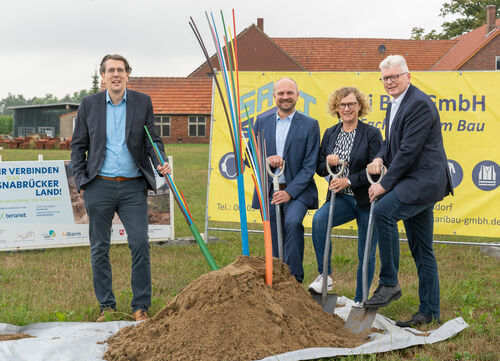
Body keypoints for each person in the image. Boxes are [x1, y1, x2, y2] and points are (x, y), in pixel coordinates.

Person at [71, 54, 171, 322]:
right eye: (110, 70)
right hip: (99, 186)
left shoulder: (142, 102)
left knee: (140, 243)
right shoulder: (89, 104)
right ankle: (107, 306)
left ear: (128, 74)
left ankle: (140, 306)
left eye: (121, 70)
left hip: (132, 188)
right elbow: (78, 145)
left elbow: (152, 140)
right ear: (102, 76)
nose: (116, 74)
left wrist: (160, 160)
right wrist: (82, 180)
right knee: (99, 247)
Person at [363, 55, 453, 327]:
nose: (390, 82)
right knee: (422, 249)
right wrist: (379, 157)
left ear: (408, 76)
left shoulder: (419, 105)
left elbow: (409, 151)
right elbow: (392, 143)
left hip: (423, 182)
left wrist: (384, 184)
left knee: (383, 212)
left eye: (394, 77)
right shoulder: (396, 104)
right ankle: (429, 312)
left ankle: (389, 283)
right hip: (414, 181)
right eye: (385, 78)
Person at [308, 87, 382, 306]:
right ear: (336, 108)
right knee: (319, 221)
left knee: (366, 251)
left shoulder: (371, 134)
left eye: (352, 104)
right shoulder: (331, 133)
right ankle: (326, 276)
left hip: (367, 200)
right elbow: (320, 167)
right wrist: (328, 163)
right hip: (340, 200)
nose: (347, 109)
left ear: (360, 106)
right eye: (343, 105)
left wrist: (349, 180)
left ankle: (361, 300)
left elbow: (375, 169)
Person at [251, 77, 320, 283]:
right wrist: (266, 161)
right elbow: (250, 157)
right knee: (272, 231)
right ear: (274, 97)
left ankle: (294, 279)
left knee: (292, 222)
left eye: (290, 93)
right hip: (270, 189)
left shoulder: (310, 125)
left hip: (297, 190)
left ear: (297, 96)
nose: (285, 97)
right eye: (281, 93)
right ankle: (275, 277)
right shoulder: (261, 122)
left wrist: (289, 192)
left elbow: (310, 165)